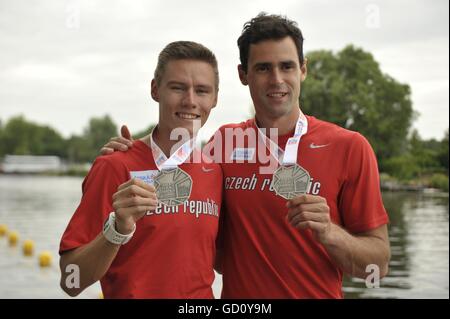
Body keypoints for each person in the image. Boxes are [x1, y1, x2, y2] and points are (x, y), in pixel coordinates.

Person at [101, 13, 390, 298]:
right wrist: (126, 156)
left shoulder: (350, 147)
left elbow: (377, 267)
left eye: (287, 66)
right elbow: (178, 184)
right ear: (243, 75)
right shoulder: (223, 144)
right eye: (263, 68)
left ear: (303, 69)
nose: (277, 80)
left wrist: (329, 233)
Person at [59, 41, 223, 298]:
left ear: (214, 99)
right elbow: (70, 282)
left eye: (202, 91)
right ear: (155, 90)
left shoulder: (215, 171)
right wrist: (117, 231)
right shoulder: (114, 166)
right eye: (178, 87)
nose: (190, 100)